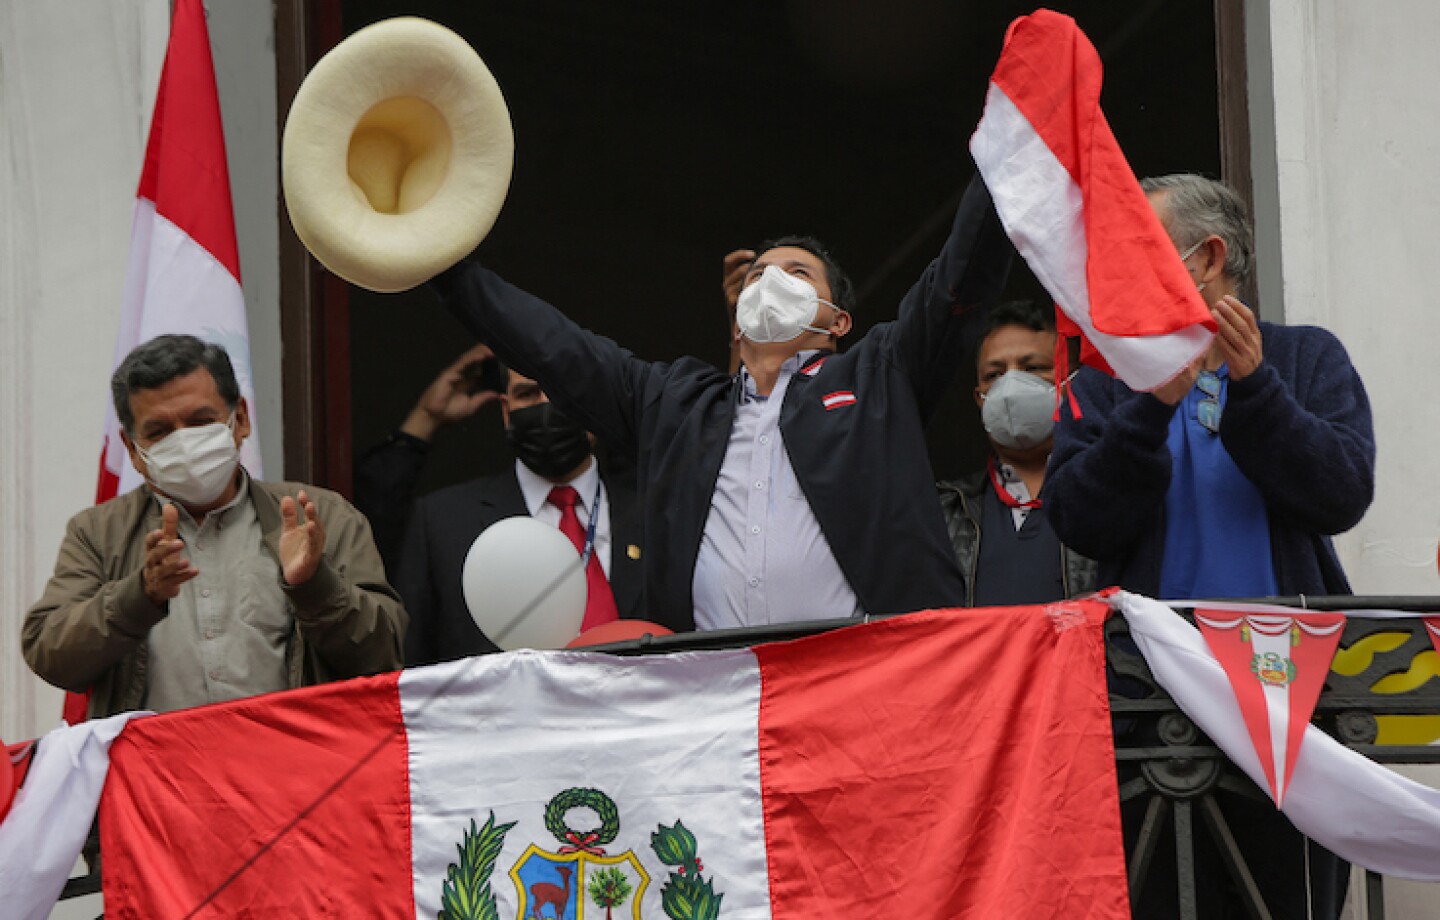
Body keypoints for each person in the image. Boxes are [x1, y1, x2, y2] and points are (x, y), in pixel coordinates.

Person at [432, 173, 1012, 631]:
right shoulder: (674, 405)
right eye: (758, 275)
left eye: (796, 273)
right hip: (718, 705)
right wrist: (442, 267)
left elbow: (960, 276)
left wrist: (1005, 147)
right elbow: (555, 348)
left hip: (864, 685)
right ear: (736, 323)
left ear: (837, 321)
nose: (770, 283)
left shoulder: (880, 374)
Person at [1046, 174, 1374, 920]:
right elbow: (1079, 518)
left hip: (1290, 710)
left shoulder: (1307, 358)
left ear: (1207, 257)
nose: (1114, 273)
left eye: (1137, 250)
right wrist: (1149, 405)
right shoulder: (1102, 378)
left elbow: (1342, 493)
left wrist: (1257, 388)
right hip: (1148, 717)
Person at [23, 335, 406, 717]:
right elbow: (50, 654)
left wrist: (314, 585)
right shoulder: (98, 533)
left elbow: (384, 655)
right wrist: (139, 596)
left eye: (200, 422)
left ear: (239, 419)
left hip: (291, 769)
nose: (184, 443)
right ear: (132, 451)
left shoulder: (319, 516)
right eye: (159, 432)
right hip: (155, 773)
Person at [395, 361, 645, 665]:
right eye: (528, 394)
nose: (546, 406)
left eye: (562, 391)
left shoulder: (657, 516)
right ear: (506, 410)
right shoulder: (442, 522)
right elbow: (411, 668)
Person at [936, 301, 1095, 605]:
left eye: (1034, 368)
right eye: (994, 375)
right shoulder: (945, 511)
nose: (1010, 387)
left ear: (1073, 381)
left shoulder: (1112, 495)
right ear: (979, 398)